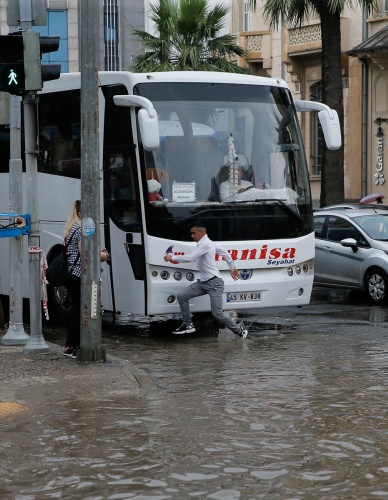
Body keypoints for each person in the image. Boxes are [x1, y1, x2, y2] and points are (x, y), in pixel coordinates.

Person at [164, 221, 248, 338]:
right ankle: (188, 325)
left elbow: (190, 257)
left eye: (194, 233)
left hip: (214, 283)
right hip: (203, 283)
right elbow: (225, 253)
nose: (192, 236)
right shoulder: (207, 243)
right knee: (182, 296)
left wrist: (171, 257)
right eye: (191, 233)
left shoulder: (206, 244)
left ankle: (239, 331)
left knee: (217, 314)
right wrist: (232, 267)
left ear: (202, 232)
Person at [63, 200, 110, 358]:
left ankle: (71, 346)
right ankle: (73, 347)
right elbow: (86, 254)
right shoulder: (80, 229)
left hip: (71, 275)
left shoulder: (72, 228)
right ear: (80, 214)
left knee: (78, 310)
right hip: (78, 276)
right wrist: (101, 255)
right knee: (80, 312)